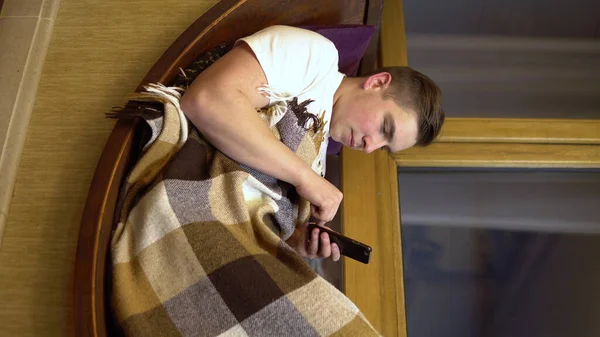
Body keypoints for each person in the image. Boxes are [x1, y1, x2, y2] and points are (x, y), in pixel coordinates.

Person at [180, 25, 444, 263]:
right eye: (384, 128)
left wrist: (295, 239)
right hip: (192, 201)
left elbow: (259, 217)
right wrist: (304, 177)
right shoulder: (318, 59)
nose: (369, 146)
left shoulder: (317, 163)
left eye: (384, 147)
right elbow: (207, 99)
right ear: (377, 83)